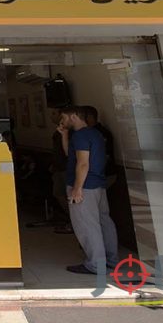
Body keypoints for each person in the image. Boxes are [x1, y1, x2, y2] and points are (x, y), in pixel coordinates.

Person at [58, 106, 118, 275]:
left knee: (87, 225)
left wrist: (77, 188)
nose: (62, 121)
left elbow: (83, 163)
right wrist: (64, 135)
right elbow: (72, 156)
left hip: (84, 185)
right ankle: (111, 260)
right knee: (104, 221)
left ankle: (95, 264)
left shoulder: (81, 136)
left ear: (74, 116)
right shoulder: (94, 133)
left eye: (64, 117)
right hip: (98, 184)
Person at [82, 106, 116, 187]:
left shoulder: (100, 133)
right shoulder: (89, 132)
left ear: (89, 117)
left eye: (82, 117)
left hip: (103, 174)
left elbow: (103, 155)